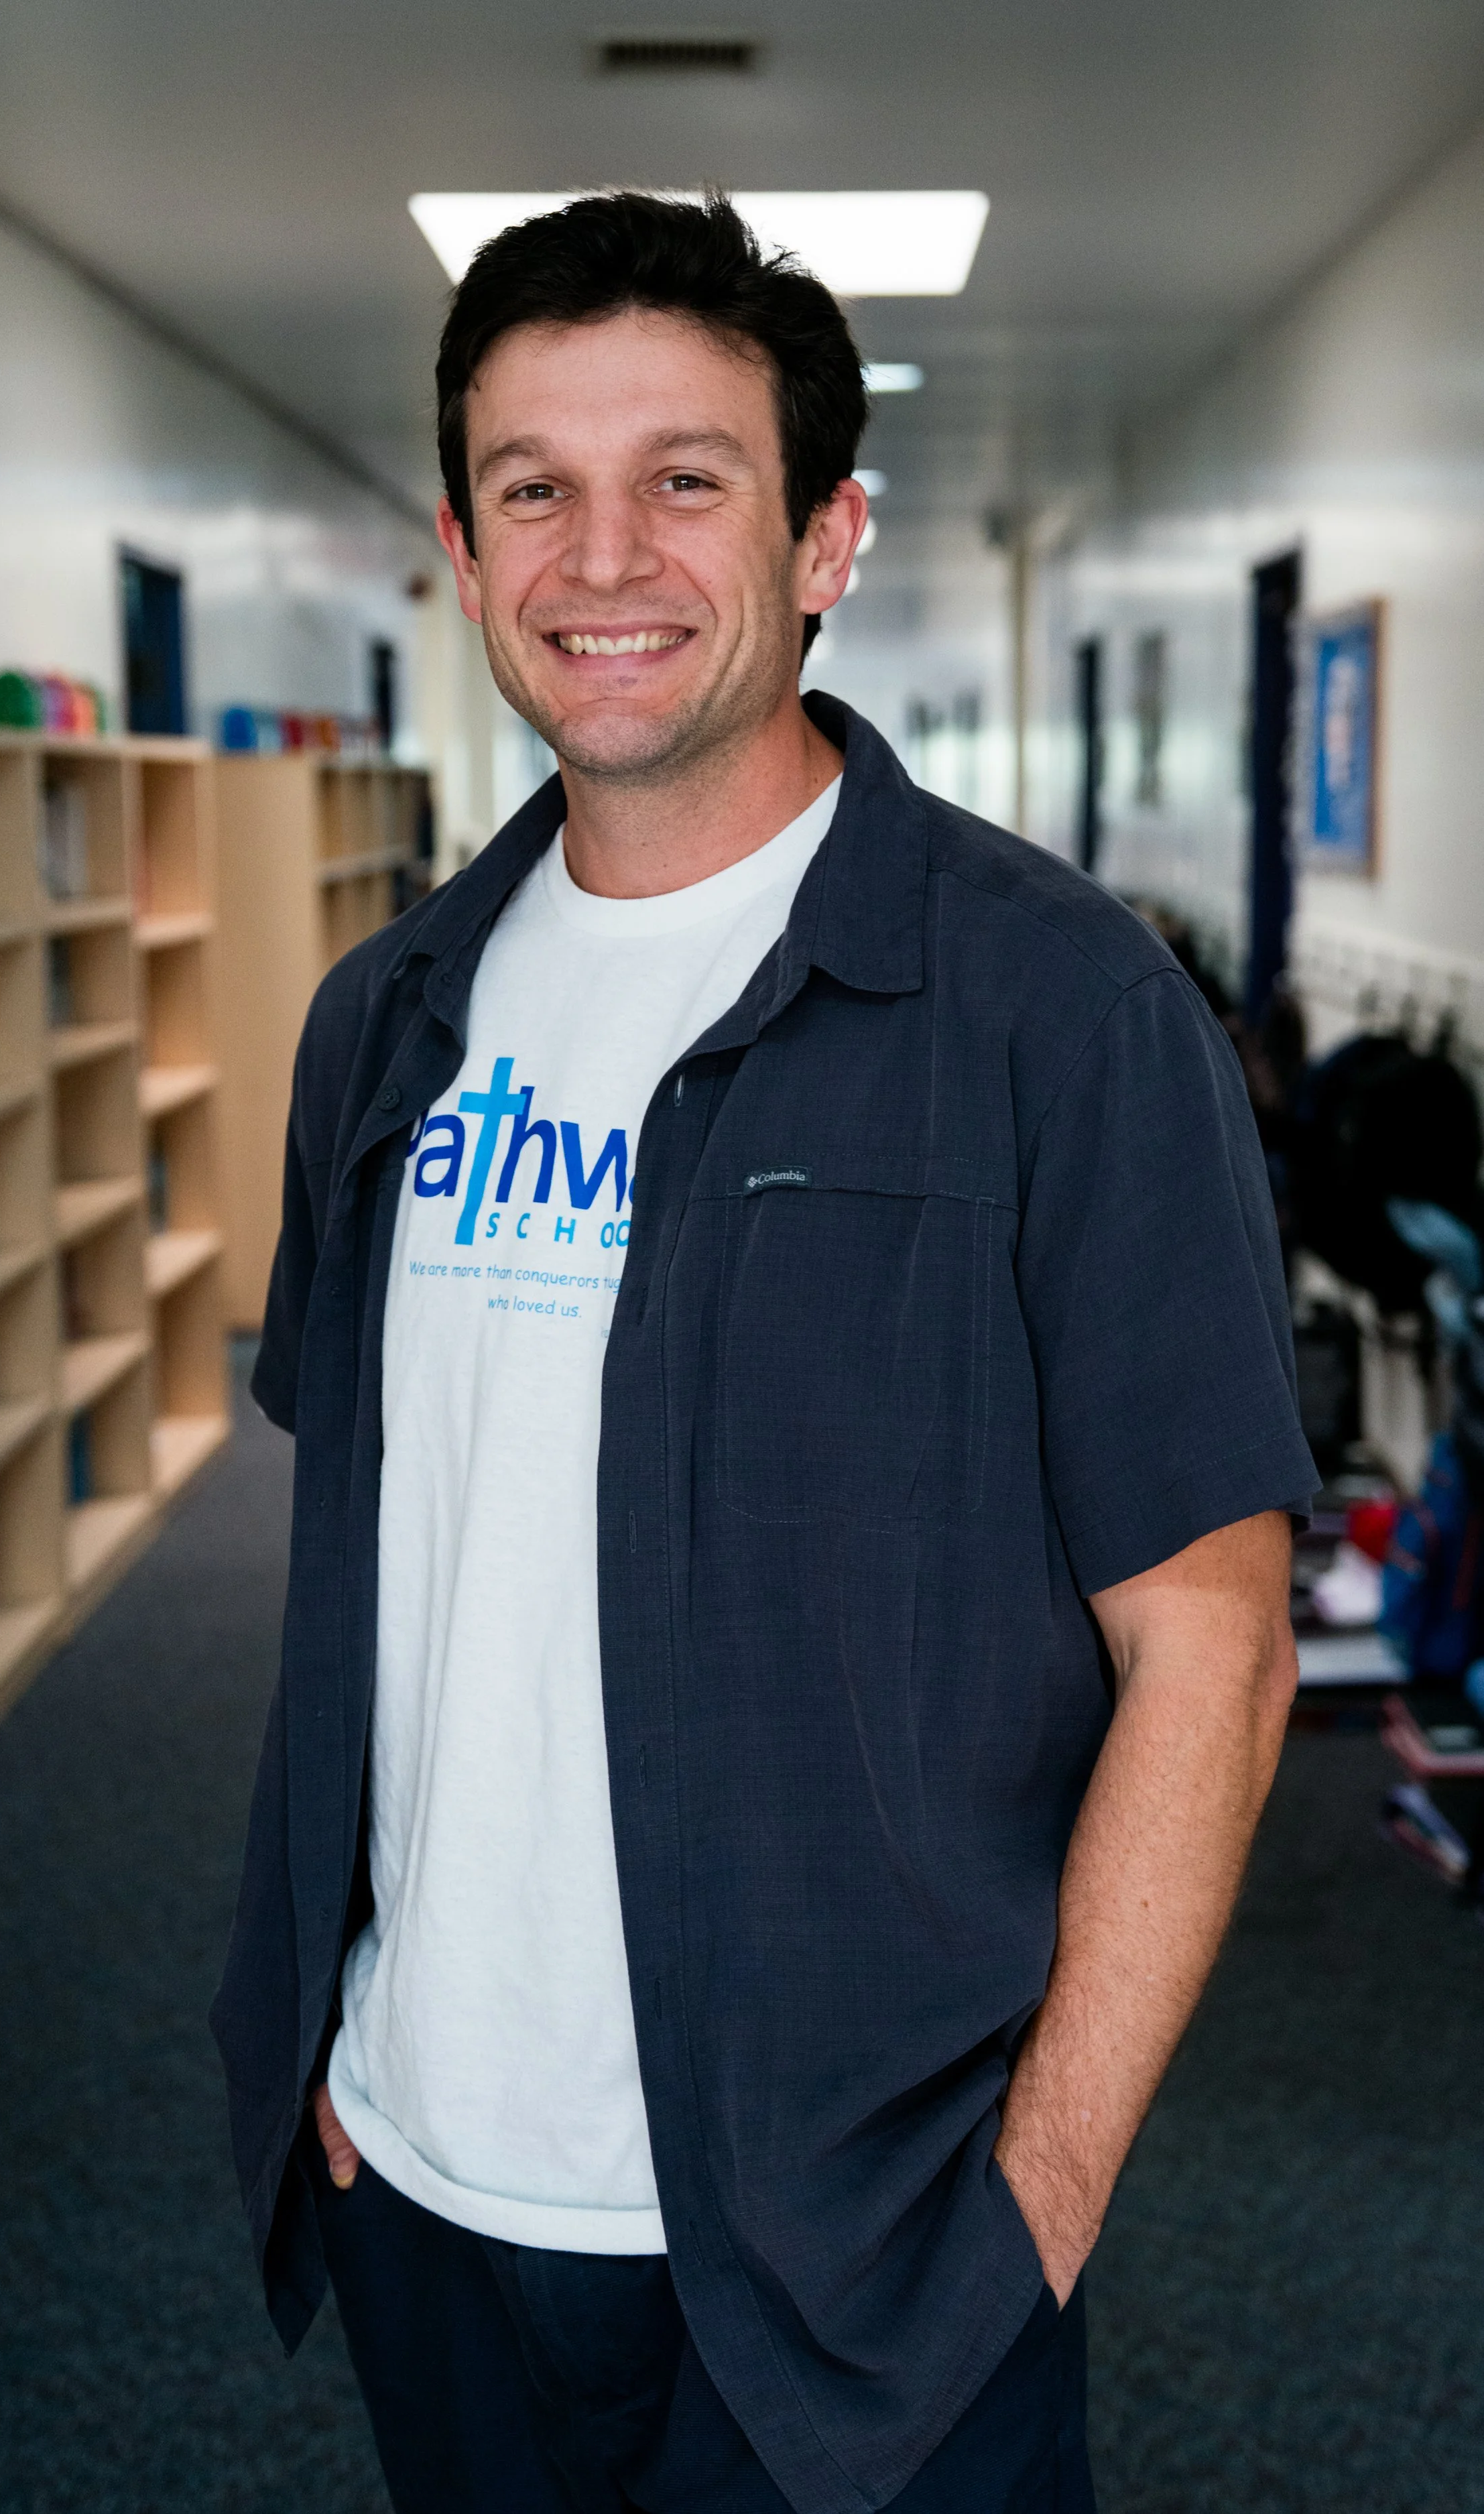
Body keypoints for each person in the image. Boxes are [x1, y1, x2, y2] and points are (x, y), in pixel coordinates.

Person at [212, 192, 1315, 2514]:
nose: (603, 552)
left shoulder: (1058, 1016)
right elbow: (367, 1549)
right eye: (535, 485)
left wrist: (1043, 2186)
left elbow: (1211, 1654)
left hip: (867, 2245)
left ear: (826, 535)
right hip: (422, 2179)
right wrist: (327, 2003)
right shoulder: (381, 1019)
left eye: (685, 479)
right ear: (460, 539)